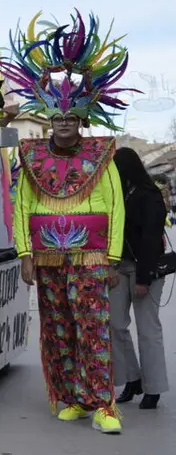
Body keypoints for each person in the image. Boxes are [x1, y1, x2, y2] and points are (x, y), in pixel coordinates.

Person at [0, 11, 133, 435]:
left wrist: (112, 258)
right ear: (49, 120)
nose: (64, 125)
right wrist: (24, 253)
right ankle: (71, 397)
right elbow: (21, 206)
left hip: (91, 257)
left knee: (93, 327)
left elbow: (116, 206)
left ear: (81, 121)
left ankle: (104, 404)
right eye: (58, 119)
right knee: (58, 328)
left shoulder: (102, 156)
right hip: (49, 258)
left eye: (71, 119)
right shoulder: (32, 157)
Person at [111, 147, 169, 409]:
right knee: (115, 323)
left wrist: (144, 279)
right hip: (119, 267)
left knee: (147, 329)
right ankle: (131, 379)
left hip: (146, 269)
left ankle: (153, 389)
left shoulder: (149, 196)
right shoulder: (118, 193)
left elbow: (150, 239)